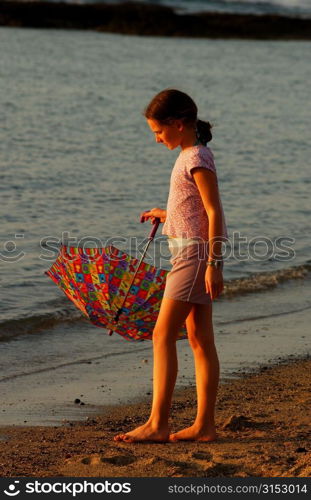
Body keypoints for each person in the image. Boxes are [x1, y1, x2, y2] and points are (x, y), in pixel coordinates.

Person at [114, 89, 228, 443]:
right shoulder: (191, 154)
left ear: (178, 124)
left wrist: (214, 264)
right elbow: (193, 208)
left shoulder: (196, 157)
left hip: (195, 258)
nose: (156, 138)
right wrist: (167, 214)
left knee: (163, 335)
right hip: (189, 254)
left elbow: (214, 211)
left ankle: (158, 423)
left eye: (158, 132)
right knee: (199, 339)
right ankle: (204, 425)